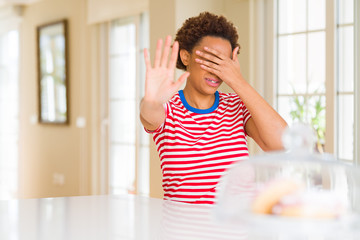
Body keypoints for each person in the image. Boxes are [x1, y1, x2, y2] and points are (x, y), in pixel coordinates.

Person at [140, 12, 287, 204]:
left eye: (223, 64)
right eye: (209, 60)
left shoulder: (236, 106)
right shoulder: (169, 108)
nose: (216, 71)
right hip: (183, 230)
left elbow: (283, 143)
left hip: (236, 230)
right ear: (186, 56)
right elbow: (149, 115)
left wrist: (238, 81)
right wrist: (151, 101)